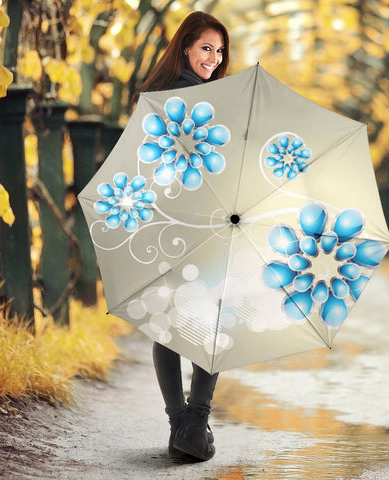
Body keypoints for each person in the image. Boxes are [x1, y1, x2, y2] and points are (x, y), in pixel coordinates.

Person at [135, 11, 230, 462]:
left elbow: (143, 163)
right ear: (186, 48)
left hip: (165, 225)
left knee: (168, 323)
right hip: (204, 222)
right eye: (206, 48)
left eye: (218, 49)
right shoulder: (208, 103)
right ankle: (195, 422)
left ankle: (181, 425)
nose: (213, 57)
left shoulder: (153, 97)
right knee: (211, 321)